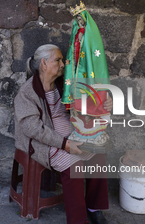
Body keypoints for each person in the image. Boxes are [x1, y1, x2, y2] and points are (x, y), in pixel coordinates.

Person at [14, 44, 112, 224]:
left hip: (71, 135)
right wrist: (65, 144)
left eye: (62, 60)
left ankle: (93, 207)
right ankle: (77, 223)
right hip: (42, 143)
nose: (62, 64)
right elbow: (33, 129)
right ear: (43, 63)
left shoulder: (63, 85)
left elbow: (83, 102)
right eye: (57, 60)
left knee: (98, 156)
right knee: (73, 164)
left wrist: (103, 103)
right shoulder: (27, 93)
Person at [62, 2, 111, 152]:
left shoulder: (92, 33)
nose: (79, 21)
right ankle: (81, 133)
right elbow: (72, 49)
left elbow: (95, 55)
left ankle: (95, 134)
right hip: (77, 71)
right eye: (77, 20)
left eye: (81, 19)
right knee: (79, 104)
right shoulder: (76, 32)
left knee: (92, 102)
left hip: (89, 72)